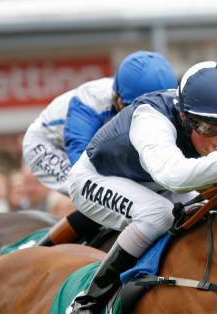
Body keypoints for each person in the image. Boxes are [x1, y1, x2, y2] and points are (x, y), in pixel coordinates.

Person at [60, 61, 217, 314]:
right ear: (185, 116)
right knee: (159, 215)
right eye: (208, 128)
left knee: (208, 206)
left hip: (150, 181)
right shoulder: (151, 119)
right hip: (94, 178)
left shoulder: (216, 119)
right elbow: (174, 176)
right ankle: (85, 307)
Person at [23, 51, 178, 246]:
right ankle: (40, 250)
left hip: (98, 148)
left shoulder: (165, 100)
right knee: (97, 195)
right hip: (50, 146)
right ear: (120, 102)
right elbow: (81, 164)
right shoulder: (90, 102)